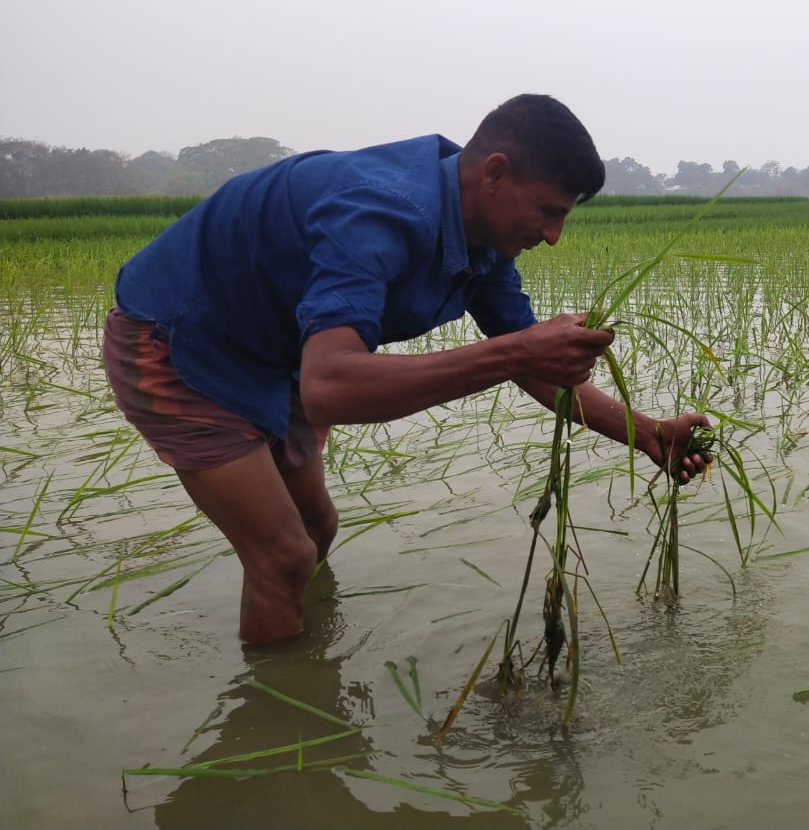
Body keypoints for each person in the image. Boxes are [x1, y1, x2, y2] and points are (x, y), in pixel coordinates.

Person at [102, 94, 712, 645]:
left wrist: (648, 432)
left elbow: (533, 363)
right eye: (549, 211)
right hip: (178, 340)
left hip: (277, 349)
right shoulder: (380, 210)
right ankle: (284, 732)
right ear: (494, 173)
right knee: (284, 554)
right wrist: (515, 354)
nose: (552, 235)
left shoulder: (486, 239)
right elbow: (329, 388)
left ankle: (303, 651)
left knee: (317, 525)